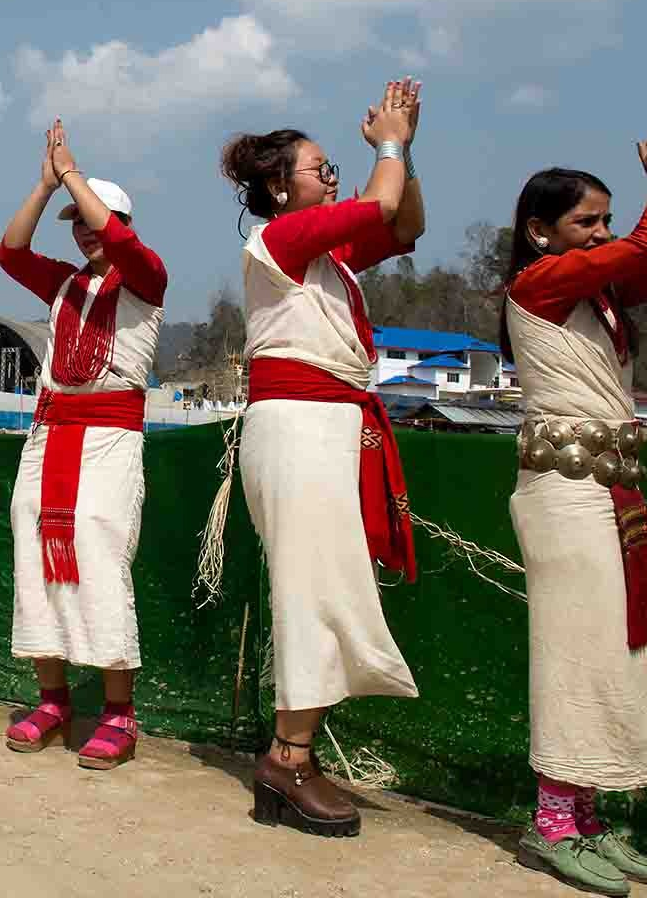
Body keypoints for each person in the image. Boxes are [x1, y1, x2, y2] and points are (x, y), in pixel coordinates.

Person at [501, 111, 647, 895]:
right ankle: (552, 822)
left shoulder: (600, 291)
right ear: (539, 231)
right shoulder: (540, 284)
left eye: (607, 220)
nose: (601, 233)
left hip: (609, 490)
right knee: (573, 652)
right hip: (564, 494)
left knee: (611, 652)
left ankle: (586, 820)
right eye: (586, 221)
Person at [221, 78, 427, 838]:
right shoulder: (275, 241)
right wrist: (389, 146)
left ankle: (293, 752)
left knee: (329, 587)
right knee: (311, 592)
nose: (335, 176)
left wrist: (407, 146)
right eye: (321, 168)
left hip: (327, 426)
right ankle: (288, 757)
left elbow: (405, 221)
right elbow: (379, 201)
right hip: (299, 425)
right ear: (279, 188)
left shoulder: (329, 259)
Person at [0, 119, 168, 770]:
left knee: (98, 549)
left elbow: (123, 243)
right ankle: (53, 697)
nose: (84, 230)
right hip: (51, 433)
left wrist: (73, 173)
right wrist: (46, 187)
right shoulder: (65, 282)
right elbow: (11, 252)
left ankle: (120, 713)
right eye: (76, 221)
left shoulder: (145, 276)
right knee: (32, 546)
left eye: (95, 220)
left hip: (108, 438)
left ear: (120, 222)